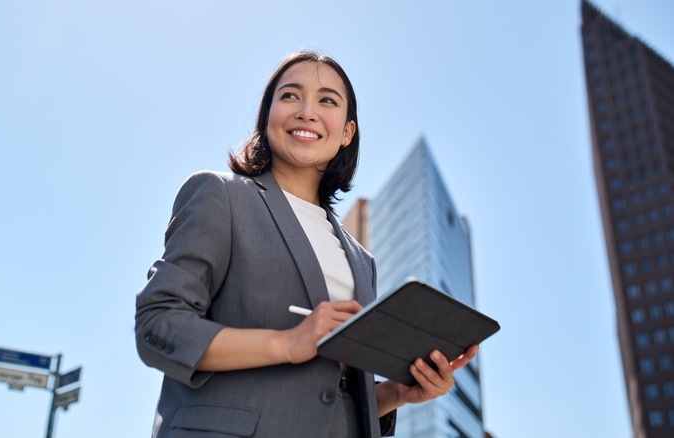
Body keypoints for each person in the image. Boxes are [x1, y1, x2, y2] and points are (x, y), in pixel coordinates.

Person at [135, 50, 478, 438]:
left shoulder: (362, 261)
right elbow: (158, 325)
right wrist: (287, 343)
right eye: (290, 96)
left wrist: (395, 393)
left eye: (327, 101)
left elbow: (329, 396)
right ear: (268, 117)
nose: (306, 112)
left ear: (346, 132)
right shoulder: (220, 195)